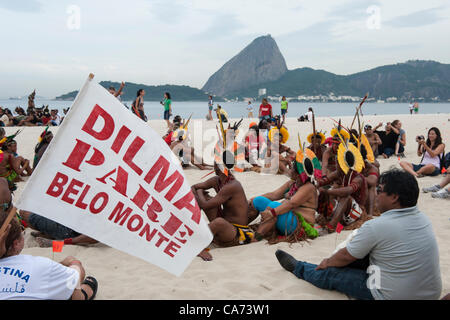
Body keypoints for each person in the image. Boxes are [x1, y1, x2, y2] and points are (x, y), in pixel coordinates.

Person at [275, 168, 442, 300]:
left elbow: (346, 256)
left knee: (333, 273)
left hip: (391, 295)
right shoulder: (423, 219)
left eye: (380, 190)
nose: (376, 193)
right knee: (362, 256)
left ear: (394, 197)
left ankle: (299, 267)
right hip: (430, 294)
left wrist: (327, 262)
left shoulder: (378, 225)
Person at [0, 211, 98, 300]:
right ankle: (83, 295)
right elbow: (73, 280)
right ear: (16, 244)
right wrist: (73, 262)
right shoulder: (39, 264)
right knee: (75, 277)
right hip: (69, 232)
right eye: (22, 232)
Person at [248, 146, 320, 243]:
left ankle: (255, 238)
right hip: (286, 217)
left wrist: (271, 212)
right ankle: (242, 228)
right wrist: (253, 199)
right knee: (257, 201)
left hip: (298, 224)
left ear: (298, 173)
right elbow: (274, 195)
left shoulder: (308, 187)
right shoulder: (292, 183)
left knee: (273, 206)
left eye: (292, 169)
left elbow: (291, 204)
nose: (290, 170)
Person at [192, 162, 252, 261]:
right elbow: (194, 187)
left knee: (218, 221)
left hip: (237, 233)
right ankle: (196, 228)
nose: (214, 166)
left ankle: (199, 246)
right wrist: (198, 193)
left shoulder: (232, 185)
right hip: (226, 225)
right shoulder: (216, 180)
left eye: (215, 164)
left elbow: (204, 204)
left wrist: (199, 192)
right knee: (205, 198)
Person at [317, 133, 368, 233]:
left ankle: (331, 226)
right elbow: (324, 181)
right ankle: (327, 217)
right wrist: (314, 184)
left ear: (343, 163)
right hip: (343, 211)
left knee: (345, 196)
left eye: (337, 162)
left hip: (356, 213)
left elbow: (348, 190)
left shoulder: (358, 177)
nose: (335, 164)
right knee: (328, 191)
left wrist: (328, 192)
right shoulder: (338, 173)